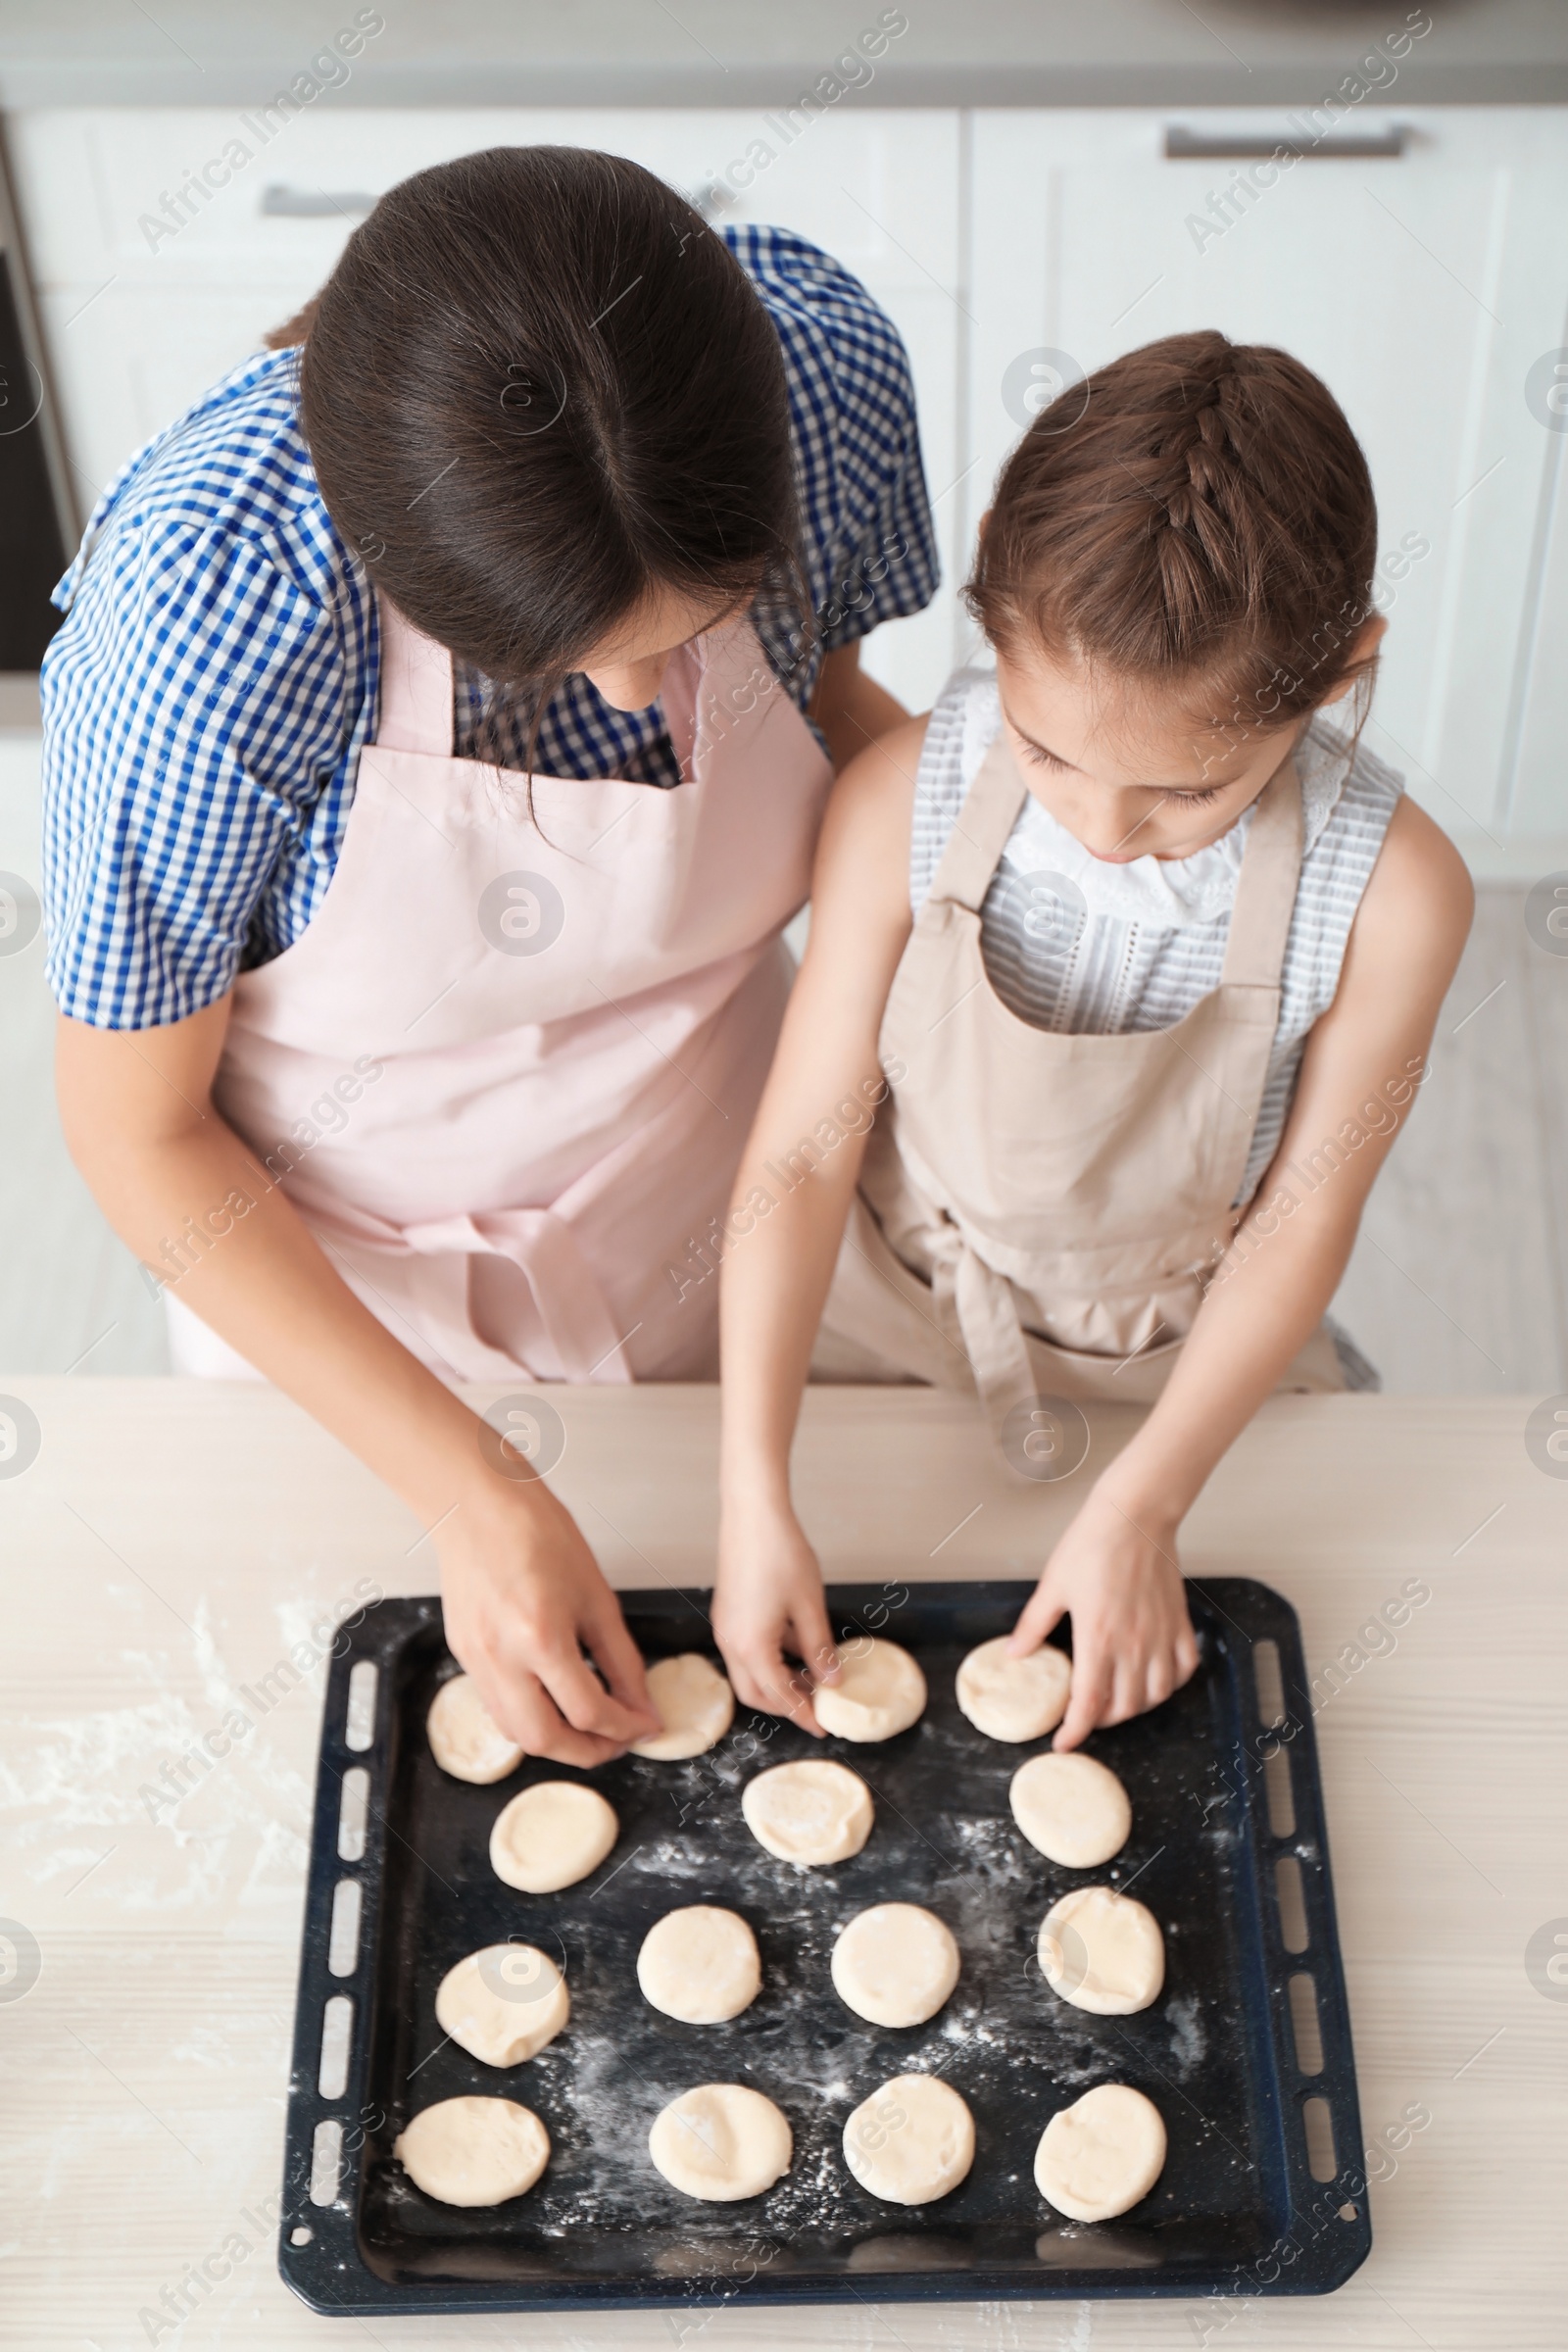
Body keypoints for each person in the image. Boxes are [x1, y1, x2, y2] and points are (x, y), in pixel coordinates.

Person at [41, 145, 936, 1765]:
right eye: (604, 663)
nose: (666, 709)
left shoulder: (822, 377)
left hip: (724, 1207)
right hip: (350, 1306)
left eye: (695, 637)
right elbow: (134, 1126)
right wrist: (470, 1488)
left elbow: (843, 730)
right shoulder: (207, 617)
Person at [712, 330, 1472, 1749]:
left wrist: (1145, 1504)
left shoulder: (1396, 896)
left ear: (1341, 671)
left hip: (1185, 1369)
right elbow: (804, 1159)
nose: (1105, 833)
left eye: (1188, 791)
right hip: (892, 1316)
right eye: (1049, 752)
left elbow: (1303, 1223)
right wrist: (754, 1489)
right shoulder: (898, 800)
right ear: (991, 594)